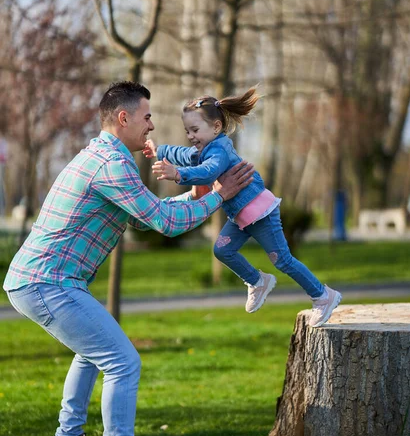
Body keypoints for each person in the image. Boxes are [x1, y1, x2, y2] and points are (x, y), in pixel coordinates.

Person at [3, 81, 254, 436]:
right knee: (123, 361)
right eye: (147, 117)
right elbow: (165, 224)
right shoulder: (111, 164)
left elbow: (146, 219)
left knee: (93, 352)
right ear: (124, 118)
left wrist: (198, 194)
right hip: (46, 282)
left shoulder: (106, 158)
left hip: (44, 280)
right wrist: (218, 195)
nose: (152, 125)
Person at [143, 87, 342, 324]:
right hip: (240, 217)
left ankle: (323, 295)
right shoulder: (204, 149)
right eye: (188, 131)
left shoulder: (219, 149)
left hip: (260, 213)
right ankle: (258, 281)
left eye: (195, 130)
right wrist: (160, 151)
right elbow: (186, 155)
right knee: (222, 250)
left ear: (216, 127)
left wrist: (178, 175)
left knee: (283, 260)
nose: (191, 136)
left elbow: (208, 172)